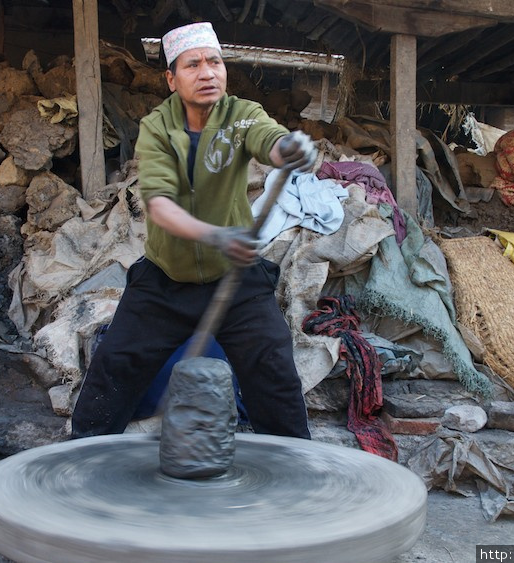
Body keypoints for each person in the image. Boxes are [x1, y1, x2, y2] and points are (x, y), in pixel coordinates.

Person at [71, 21, 317, 440]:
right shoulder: (157, 129)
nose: (207, 73)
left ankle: (295, 470)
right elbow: (161, 206)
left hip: (236, 279)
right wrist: (217, 236)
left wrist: (289, 149)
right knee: (114, 367)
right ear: (171, 78)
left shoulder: (241, 115)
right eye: (193, 65)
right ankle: (77, 463)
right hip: (166, 280)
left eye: (214, 62)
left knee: (273, 369)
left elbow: (268, 139)